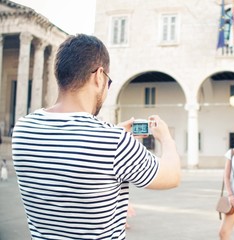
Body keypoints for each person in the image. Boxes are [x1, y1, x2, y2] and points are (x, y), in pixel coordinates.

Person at [12, 34, 181, 240]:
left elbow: (69, 150)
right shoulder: (115, 142)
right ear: (99, 76)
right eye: (108, 83)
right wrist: (166, 138)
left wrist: (111, 134)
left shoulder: (22, 129)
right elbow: (172, 176)